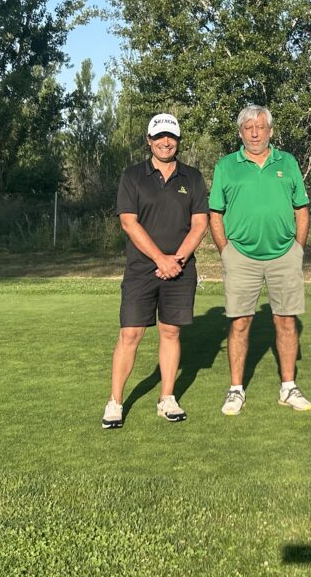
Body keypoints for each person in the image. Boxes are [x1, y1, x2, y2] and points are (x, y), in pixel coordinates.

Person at [102, 113, 209, 428]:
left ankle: (167, 398)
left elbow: (200, 224)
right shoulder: (132, 176)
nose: (166, 142)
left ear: (178, 141)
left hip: (180, 269)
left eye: (171, 137)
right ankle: (115, 402)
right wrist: (161, 259)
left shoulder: (192, 177)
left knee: (171, 332)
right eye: (160, 136)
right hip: (141, 269)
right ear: (149, 140)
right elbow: (128, 223)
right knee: (130, 333)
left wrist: (176, 260)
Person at [209, 105, 311, 415]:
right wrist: (226, 251)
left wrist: (298, 249)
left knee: (286, 321)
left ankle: (288, 387)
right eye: (248, 128)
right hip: (241, 257)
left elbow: (301, 209)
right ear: (240, 132)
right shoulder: (226, 166)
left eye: (261, 127)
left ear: (270, 130)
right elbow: (215, 213)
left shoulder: (287, 162)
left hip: (284, 256)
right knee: (240, 322)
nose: (255, 133)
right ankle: (236, 390)